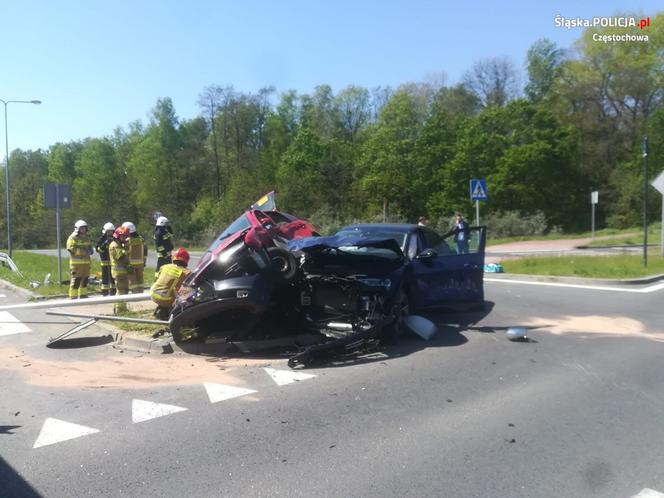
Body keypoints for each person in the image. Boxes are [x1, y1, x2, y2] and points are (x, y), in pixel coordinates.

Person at [150, 247, 191, 321]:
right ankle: (171, 313)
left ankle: (161, 309)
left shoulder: (164, 266)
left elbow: (157, 280)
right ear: (186, 261)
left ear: (174, 258)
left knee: (168, 288)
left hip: (153, 294)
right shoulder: (187, 273)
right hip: (166, 299)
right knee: (186, 294)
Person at [66, 219, 93, 299]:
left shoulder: (87, 237)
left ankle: (83, 295)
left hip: (86, 263)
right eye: (81, 228)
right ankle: (73, 297)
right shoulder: (73, 237)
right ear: (77, 228)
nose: (83, 230)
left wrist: (91, 250)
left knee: (85, 280)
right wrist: (83, 252)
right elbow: (70, 248)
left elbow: (90, 246)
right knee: (76, 280)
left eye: (84, 228)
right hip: (76, 264)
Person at [109, 226, 131, 314]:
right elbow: (121, 257)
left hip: (122, 272)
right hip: (119, 272)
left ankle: (121, 308)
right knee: (121, 290)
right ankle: (119, 310)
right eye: (123, 236)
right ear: (117, 236)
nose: (125, 238)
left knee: (124, 290)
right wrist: (126, 248)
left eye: (125, 236)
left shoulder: (119, 245)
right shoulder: (115, 245)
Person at [122, 221, 147, 294]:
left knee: (133, 281)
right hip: (140, 263)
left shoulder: (127, 241)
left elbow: (124, 251)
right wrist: (144, 261)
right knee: (140, 280)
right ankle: (141, 293)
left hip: (131, 263)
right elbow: (145, 250)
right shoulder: (141, 239)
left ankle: (135, 295)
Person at [95, 222, 116, 296]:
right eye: (108, 231)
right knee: (105, 278)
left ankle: (113, 290)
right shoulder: (102, 239)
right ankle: (105, 291)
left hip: (113, 262)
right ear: (105, 231)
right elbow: (98, 249)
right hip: (104, 262)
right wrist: (104, 245)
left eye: (111, 231)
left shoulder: (115, 238)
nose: (110, 233)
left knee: (113, 277)